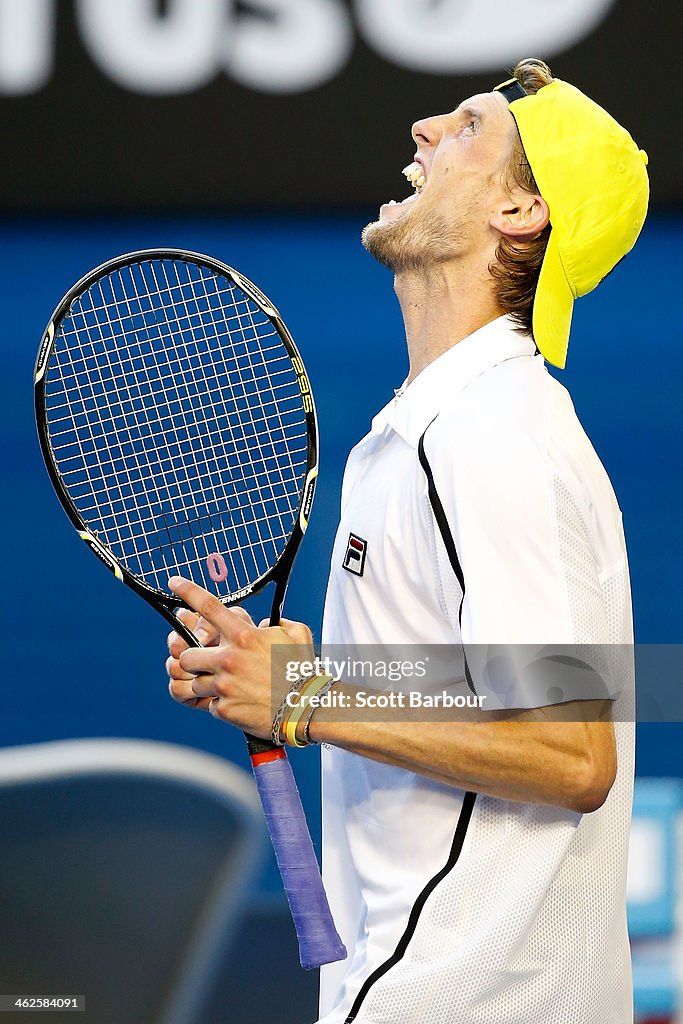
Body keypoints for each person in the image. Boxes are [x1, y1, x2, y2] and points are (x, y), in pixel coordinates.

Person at [166, 58, 649, 1024]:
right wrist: (312, 678)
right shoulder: (434, 429)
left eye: (468, 128)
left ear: (519, 214)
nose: (425, 127)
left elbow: (569, 751)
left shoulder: (492, 434)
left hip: (465, 996)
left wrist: (309, 697)